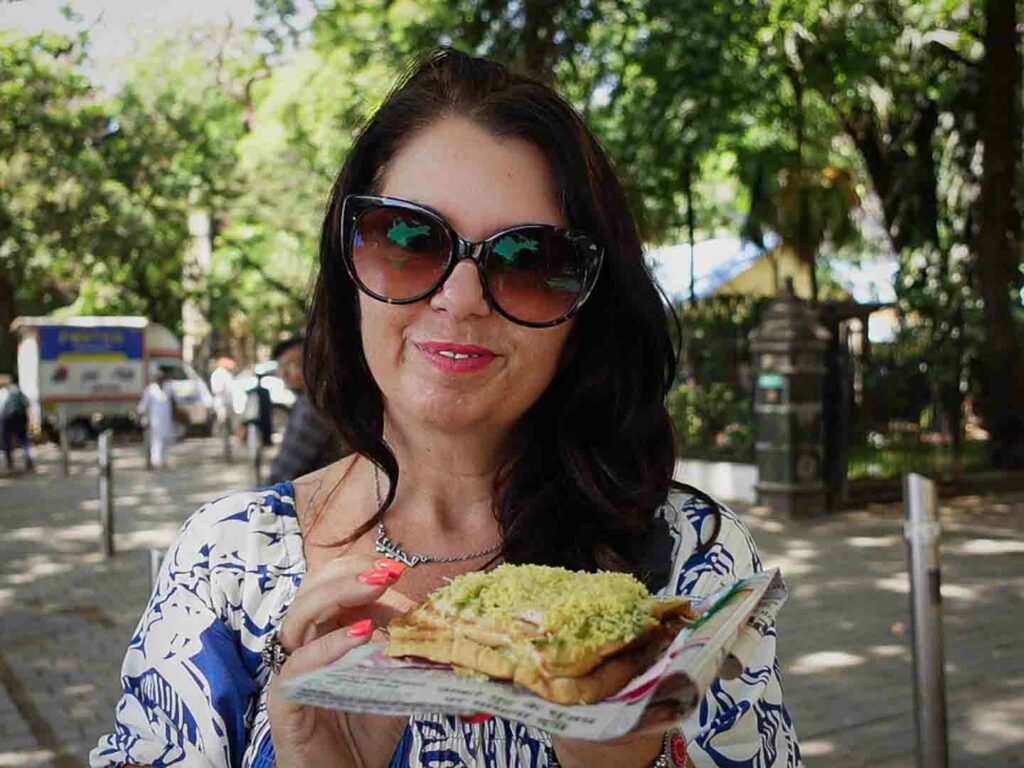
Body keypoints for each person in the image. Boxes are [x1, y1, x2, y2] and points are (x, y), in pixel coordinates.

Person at [92, 50, 800, 768]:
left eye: (529, 261)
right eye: (407, 240)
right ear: (347, 269)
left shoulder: (690, 567)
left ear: (586, 307)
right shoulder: (228, 563)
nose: (460, 299)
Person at [266, 335, 345, 485]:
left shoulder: (313, 405)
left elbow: (288, 467)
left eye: (292, 365)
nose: (284, 374)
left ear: (312, 362)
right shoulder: (315, 398)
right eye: (281, 368)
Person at [137, 365, 177, 468]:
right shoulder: (150, 390)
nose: (160, 380)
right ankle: (156, 461)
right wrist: (141, 417)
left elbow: (173, 403)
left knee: (167, 439)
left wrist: (175, 416)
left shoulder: (169, 387)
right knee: (157, 440)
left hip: (167, 419)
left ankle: (165, 461)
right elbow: (143, 406)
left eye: (161, 377)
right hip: (155, 420)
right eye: (157, 378)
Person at [1, 374, 33, 472]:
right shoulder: (17, 390)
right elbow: (27, 403)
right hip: (21, 417)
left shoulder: (2, 392)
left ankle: (10, 462)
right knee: (23, 438)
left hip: (8, 418)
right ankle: (27, 456)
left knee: (6, 440)